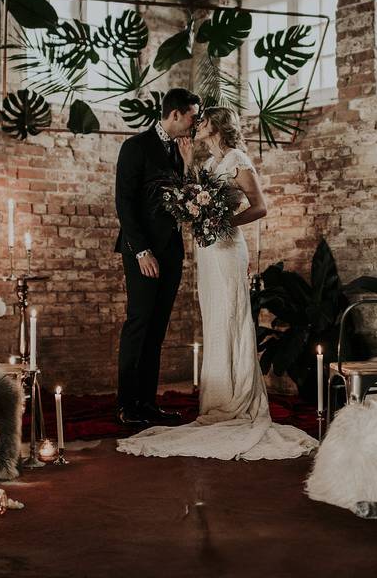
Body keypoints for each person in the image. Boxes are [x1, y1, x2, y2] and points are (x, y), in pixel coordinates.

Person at [117, 107, 318, 460]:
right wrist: (188, 167)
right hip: (207, 252)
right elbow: (195, 197)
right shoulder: (209, 163)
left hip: (226, 249)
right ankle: (218, 398)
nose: (198, 124)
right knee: (214, 320)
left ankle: (238, 397)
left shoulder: (238, 158)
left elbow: (260, 207)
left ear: (218, 126)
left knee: (230, 316)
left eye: (204, 120)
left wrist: (226, 222)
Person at [114, 88, 200, 427]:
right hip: (143, 254)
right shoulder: (135, 147)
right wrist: (142, 252)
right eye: (193, 116)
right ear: (175, 114)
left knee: (158, 330)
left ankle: (147, 404)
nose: (196, 122)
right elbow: (125, 204)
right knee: (138, 325)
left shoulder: (181, 149)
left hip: (171, 252)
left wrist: (189, 162)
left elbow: (186, 197)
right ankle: (126, 406)